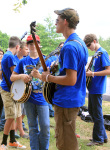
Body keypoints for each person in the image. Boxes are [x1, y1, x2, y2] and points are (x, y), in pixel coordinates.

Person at [40, 8, 88, 150]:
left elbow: (71, 79)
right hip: (73, 98)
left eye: (57, 20)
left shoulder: (69, 47)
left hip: (66, 101)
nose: (55, 23)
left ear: (65, 22)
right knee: (68, 137)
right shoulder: (80, 43)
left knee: (65, 142)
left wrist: (48, 77)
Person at [10, 34, 50, 150]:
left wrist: (42, 76)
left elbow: (52, 77)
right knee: (32, 128)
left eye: (36, 43)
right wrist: (22, 76)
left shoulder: (46, 59)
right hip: (28, 98)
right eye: (31, 44)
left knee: (46, 127)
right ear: (27, 45)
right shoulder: (23, 61)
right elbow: (12, 77)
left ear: (39, 45)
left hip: (43, 98)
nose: (33, 46)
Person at [0, 36, 26, 150]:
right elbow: (14, 75)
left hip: (13, 90)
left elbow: (1, 75)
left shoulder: (9, 56)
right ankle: (3, 143)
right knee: (10, 117)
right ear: (17, 47)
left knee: (15, 115)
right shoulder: (10, 57)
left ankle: (12, 141)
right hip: (8, 91)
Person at [84, 33, 110, 146]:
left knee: (97, 114)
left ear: (94, 41)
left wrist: (93, 73)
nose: (88, 47)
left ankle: (98, 139)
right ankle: (103, 137)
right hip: (93, 87)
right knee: (92, 111)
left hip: (98, 88)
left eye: (89, 45)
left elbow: (108, 70)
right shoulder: (96, 54)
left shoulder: (103, 52)